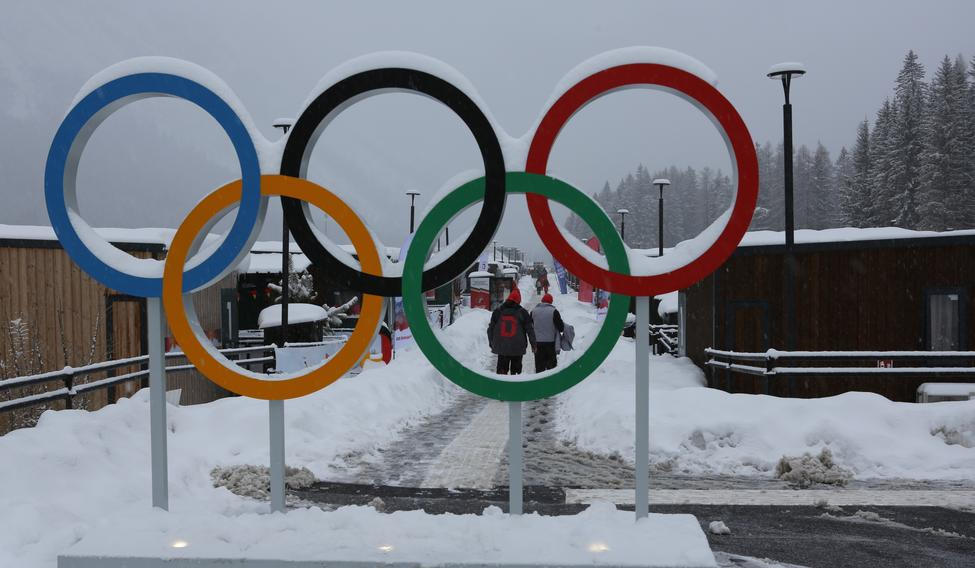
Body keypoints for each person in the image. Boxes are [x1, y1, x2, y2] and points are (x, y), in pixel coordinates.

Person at [487, 287, 535, 374]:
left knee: (501, 374)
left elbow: (490, 329)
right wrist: (533, 345)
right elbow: (530, 330)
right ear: (518, 301)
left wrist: (491, 342)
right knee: (515, 375)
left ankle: (501, 387)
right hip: (517, 348)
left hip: (502, 348)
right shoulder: (523, 313)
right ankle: (515, 385)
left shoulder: (498, 312)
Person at [530, 293, 564, 372]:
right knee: (551, 368)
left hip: (537, 344)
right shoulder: (554, 311)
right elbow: (561, 327)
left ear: (542, 301)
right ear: (551, 302)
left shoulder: (533, 311)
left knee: (539, 367)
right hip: (550, 344)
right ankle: (550, 383)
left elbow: (530, 327)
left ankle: (539, 382)